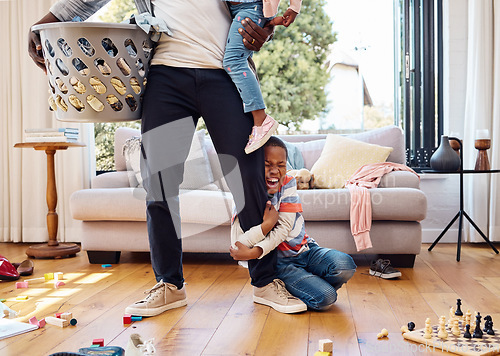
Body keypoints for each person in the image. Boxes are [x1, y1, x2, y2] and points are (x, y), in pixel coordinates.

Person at [28, 0, 307, 316]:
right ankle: (169, 285)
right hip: (166, 77)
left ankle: (266, 281)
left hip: (225, 74)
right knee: (159, 184)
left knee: (249, 176)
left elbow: (252, 8)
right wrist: (44, 23)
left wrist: (265, 28)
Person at [230, 136, 357, 310]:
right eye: (267, 164)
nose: (275, 170)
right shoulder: (246, 192)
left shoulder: (288, 183)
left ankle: (306, 281)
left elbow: (284, 228)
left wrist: (256, 251)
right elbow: (239, 243)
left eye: (281, 165)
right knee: (326, 298)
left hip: (306, 250)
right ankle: (296, 283)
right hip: (282, 264)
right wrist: (266, 225)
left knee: (345, 265)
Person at [222, 0, 301, 154]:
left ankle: (261, 120)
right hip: (236, 9)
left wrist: (294, 7)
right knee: (235, 59)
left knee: (233, 61)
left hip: (251, 7)